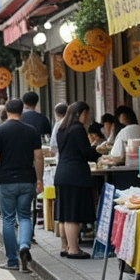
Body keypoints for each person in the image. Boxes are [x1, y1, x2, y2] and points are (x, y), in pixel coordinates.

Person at [0, 99, 44, 273]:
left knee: (8, 220)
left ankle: (12, 260)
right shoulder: (31, 131)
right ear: (22, 112)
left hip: (6, 180)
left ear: (6, 111)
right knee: (24, 216)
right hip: (27, 179)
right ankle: (24, 245)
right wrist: (39, 179)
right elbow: (38, 157)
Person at [53, 102, 100, 258]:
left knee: (65, 213)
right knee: (73, 214)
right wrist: (97, 152)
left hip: (62, 172)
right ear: (80, 113)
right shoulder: (77, 129)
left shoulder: (62, 128)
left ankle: (65, 247)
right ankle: (74, 249)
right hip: (76, 174)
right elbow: (85, 153)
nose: (87, 118)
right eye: (86, 114)